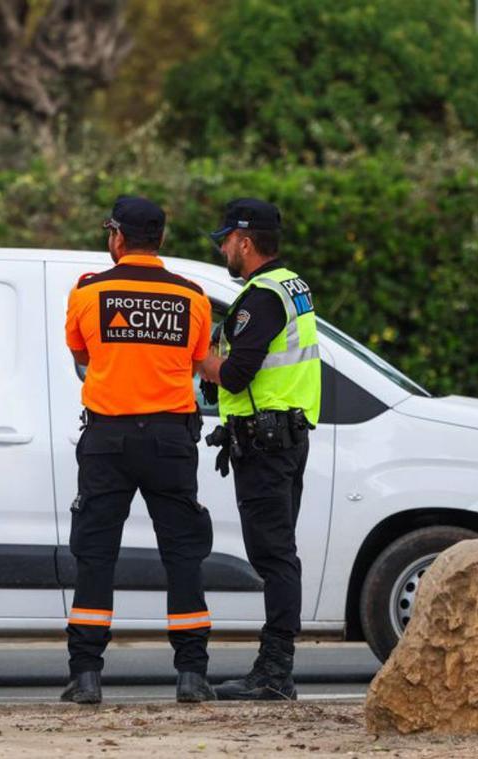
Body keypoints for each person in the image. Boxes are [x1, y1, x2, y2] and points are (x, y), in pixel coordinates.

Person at [61, 196, 215, 705]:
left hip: (107, 439)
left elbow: (81, 355)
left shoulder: (88, 291)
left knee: (95, 554)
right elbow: (198, 364)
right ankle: (192, 674)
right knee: (183, 554)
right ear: (162, 240)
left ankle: (86, 675)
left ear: (118, 239)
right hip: (171, 440)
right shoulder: (193, 297)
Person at [199, 198, 320, 701]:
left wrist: (194, 356)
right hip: (284, 437)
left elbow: (234, 372)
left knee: (273, 555)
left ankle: (274, 672)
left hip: (267, 443)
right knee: (278, 553)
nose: (224, 248)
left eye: (226, 239)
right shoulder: (292, 285)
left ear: (245, 243)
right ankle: (274, 667)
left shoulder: (260, 298)